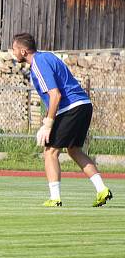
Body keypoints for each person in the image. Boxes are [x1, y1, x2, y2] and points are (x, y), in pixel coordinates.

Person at [12, 32, 113, 207]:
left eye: (14, 49)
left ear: (23, 51)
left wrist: (48, 124)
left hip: (70, 106)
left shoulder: (37, 64)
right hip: (84, 104)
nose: (12, 53)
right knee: (74, 150)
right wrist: (48, 119)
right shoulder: (47, 56)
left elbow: (55, 95)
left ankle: (55, 198)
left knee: (50, 152)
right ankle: (102, 189)